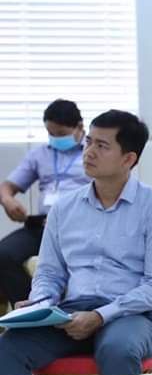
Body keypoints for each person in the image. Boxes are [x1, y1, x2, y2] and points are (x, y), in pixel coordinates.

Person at [0, 110, 152, 375]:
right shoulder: (64, 208)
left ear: (128, 159)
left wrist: (99, 315)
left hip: (133, 316)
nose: (89, 152)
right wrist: (41, 304)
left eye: (102, 146)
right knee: (7, 348)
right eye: (89, 142)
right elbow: (49, 272)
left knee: (117, 350)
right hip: (69, 314)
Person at [0, 99, 93, 305]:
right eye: (51, 133)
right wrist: (7, 200)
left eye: (61, 133)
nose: (56, 138)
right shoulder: (39, 154)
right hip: (42, 226)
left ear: (79, 127)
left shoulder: (93, 154)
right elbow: (7, 187)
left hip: (81, 227)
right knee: (3, 254)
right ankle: (34, 308)